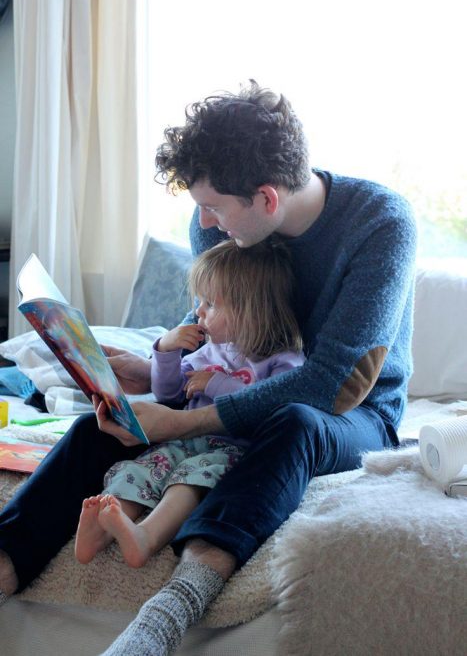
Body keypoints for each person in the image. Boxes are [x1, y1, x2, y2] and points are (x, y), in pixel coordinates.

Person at [0, 80, 417, 656]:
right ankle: (3, 567)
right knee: (93, 429)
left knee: (294, 422)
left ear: (267, 199)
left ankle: (166, 616)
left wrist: (185, 423)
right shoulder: (216, 228)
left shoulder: (379, 224)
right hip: (237, 390)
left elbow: (331, 386)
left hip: (353, 414)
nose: (205, 223)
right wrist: (150, 375)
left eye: (214, 207)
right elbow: (208, 335)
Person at [74, 239, 305, 568]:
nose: (199, 312)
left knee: (187, 481)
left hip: (231, 451)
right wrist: (165, 351)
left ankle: (147, 537)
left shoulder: (283, 361)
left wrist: (217, 384)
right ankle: (100, 533)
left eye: (210, 304)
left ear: (250, 310)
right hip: (183, 441)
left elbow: (271, 409)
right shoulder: (210, 351)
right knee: (139, 470)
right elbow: (168, 395)